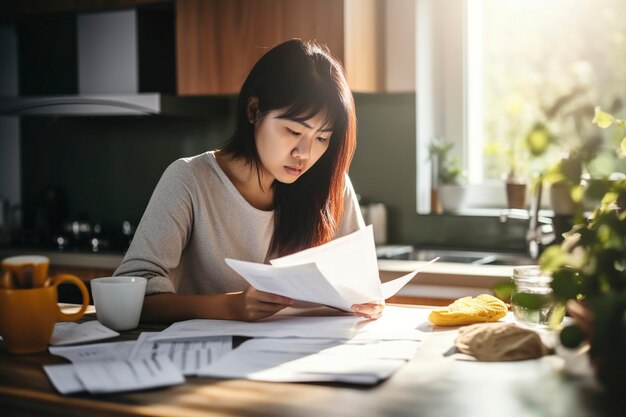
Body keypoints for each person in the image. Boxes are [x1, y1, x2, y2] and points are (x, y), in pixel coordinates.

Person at [114, 39, 384, 323]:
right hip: (205, 356)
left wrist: (365, 300)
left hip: (299, 356)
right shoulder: (190, 180)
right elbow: (132, 296)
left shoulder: (332, 186)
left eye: (321, 138)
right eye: (293, 131)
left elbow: (358, 285)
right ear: (253, 111)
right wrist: (228, 308)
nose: (304, 154)